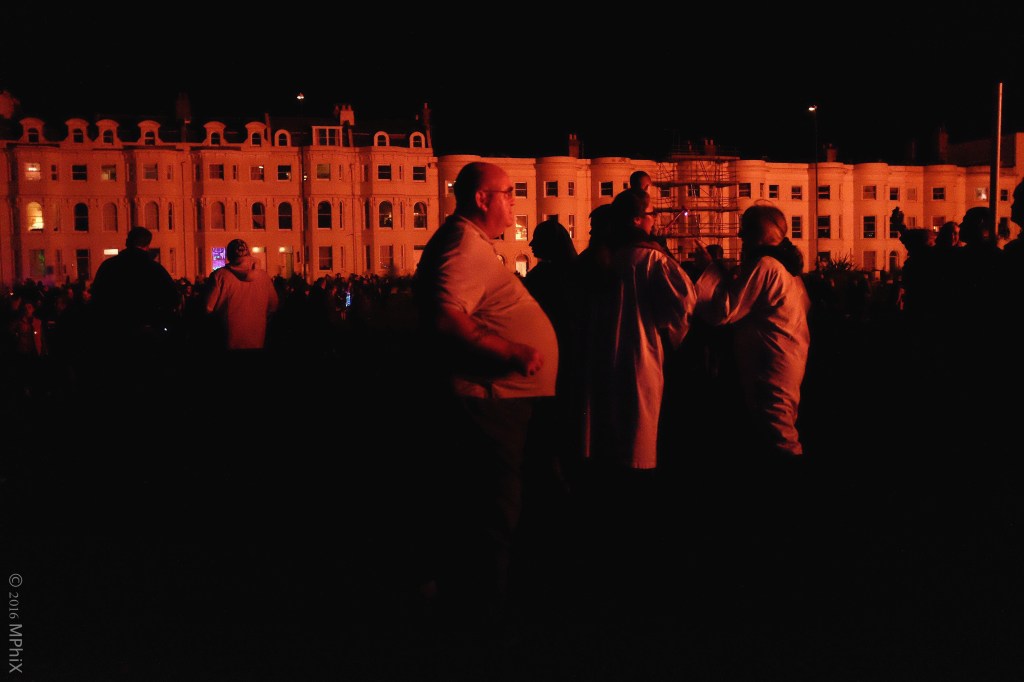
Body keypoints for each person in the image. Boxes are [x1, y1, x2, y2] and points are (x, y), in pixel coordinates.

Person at [412, 161, 559, 633]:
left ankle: (497, 598)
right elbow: (447, 319)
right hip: (490, 399)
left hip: (506, 399)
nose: (515, 202)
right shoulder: (460, 246)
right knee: (495, 507)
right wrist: (510, 350)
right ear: (482, 198)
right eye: (509, 193)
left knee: (506, 503)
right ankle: (483, 615)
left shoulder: (474, 245)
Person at [693, 203, 810, 458]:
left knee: (778, 434)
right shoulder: (789, 272)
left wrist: (708, 270)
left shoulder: (766, 266)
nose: (739, 237)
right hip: (783, 360)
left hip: (771, 364)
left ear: (757, 235)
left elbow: (724, 311)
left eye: (744, 232)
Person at [203, 239, 279, 352]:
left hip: (227, 340)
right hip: (257, 340)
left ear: (229, 255)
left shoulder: (219, 276)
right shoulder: (264, 277)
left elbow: (207, 308)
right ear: (248, 253)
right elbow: (273, 306)